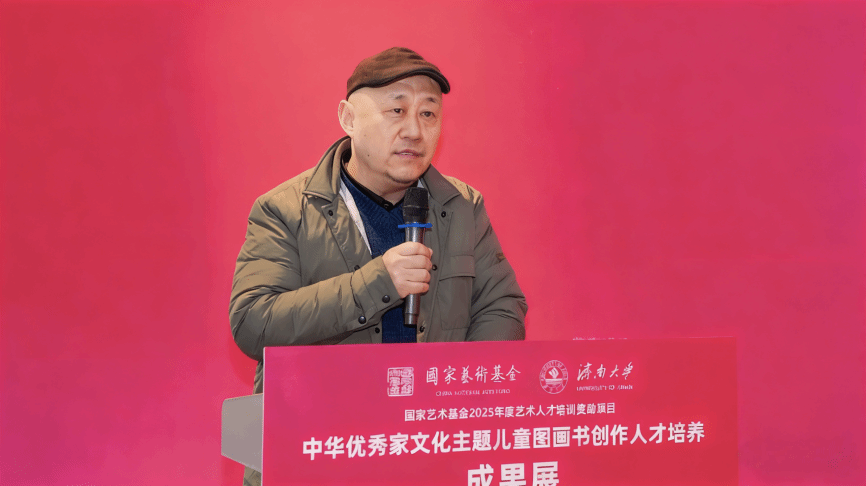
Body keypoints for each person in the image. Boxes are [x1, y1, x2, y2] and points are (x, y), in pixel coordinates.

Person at [229, 47, 526, 485]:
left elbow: (502, 307)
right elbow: (253, 323)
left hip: (426, 453)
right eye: (396, 110)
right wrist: (378, 282)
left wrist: (456, 395)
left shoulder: (462, 205)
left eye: (428, 114)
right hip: (318, 457)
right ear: (348, 118)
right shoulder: (285, 210)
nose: (414, 131)